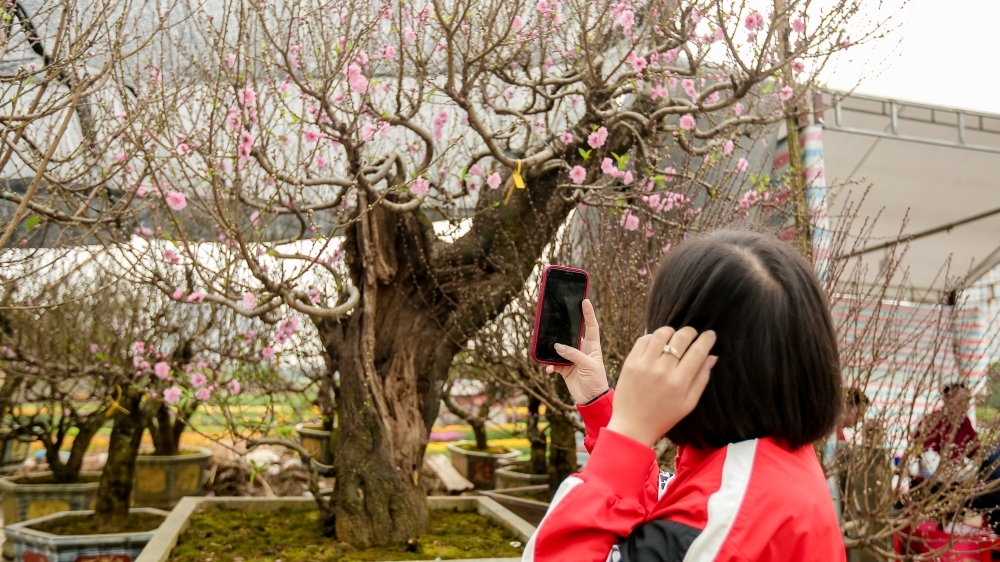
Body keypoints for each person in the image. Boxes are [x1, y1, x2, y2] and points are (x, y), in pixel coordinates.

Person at [522, 230, 845, 561]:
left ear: (690, 357)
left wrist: (627, 432)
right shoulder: (776, 463)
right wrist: (601, 408)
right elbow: (674, 501)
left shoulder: (712, 527)